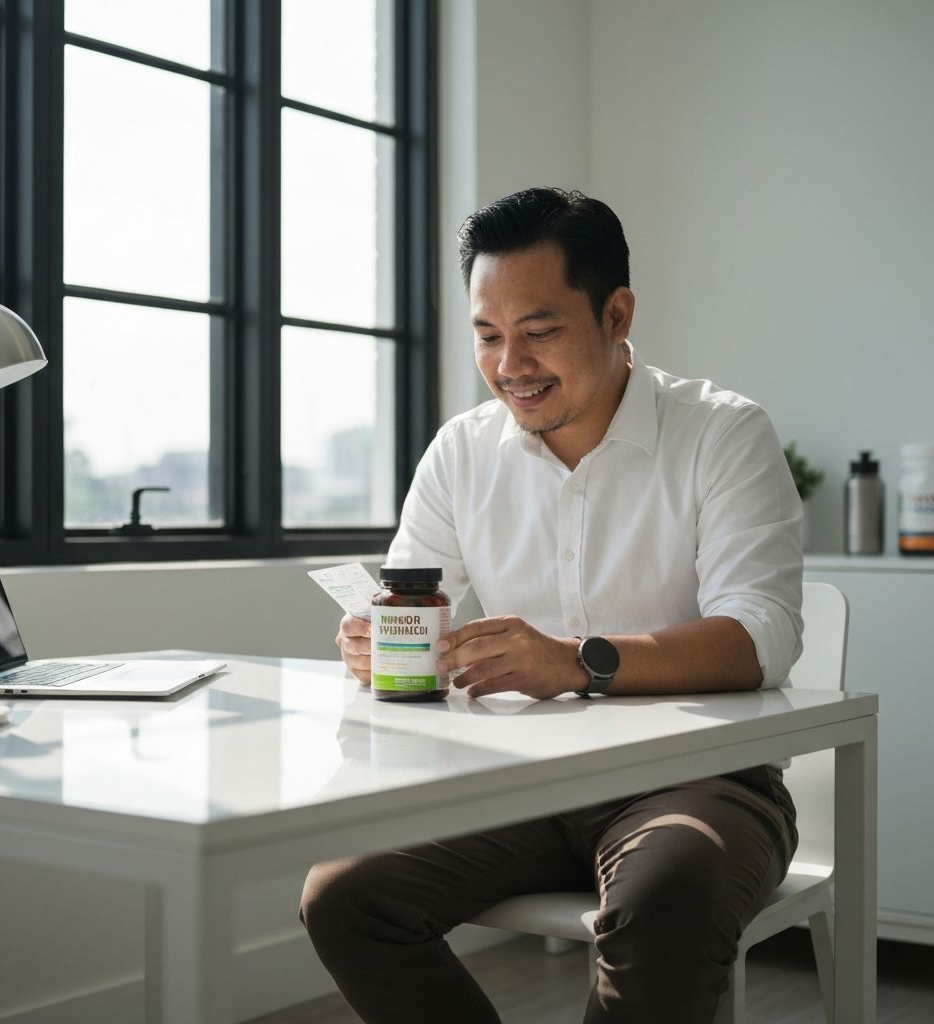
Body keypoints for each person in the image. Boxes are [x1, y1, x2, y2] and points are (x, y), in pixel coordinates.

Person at [300, 187, 803, 1023]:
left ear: (616, 314)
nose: (509, 366)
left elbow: (763, 636)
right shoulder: (461, 452)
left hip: (697, 781)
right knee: (346, 894)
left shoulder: (722, 433)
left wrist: (576, 660)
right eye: (488, 337)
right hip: (519, 782)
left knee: (663, 904)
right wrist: (377, 642)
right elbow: (412, 601)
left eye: (539, 331)